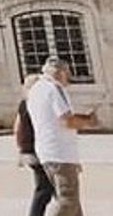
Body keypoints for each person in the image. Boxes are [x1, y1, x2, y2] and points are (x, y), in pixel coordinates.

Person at [27, 57, 98, 216]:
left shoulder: (36, 89)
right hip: (60, 153)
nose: (69, 77)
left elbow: (54, 118)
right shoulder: (54, 88)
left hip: (49, 151)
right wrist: (89, 121)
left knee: (73, 205)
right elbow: (67, 121)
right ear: (60, 72)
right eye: (67, 73)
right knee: (68, 200)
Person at [14, 74, 54, 216]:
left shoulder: (23, 103)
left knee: (48, 188)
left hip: (28, 150)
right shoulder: (38, 103)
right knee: (45, 189)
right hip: (38, 150)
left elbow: (17, 129)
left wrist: (20, 150)